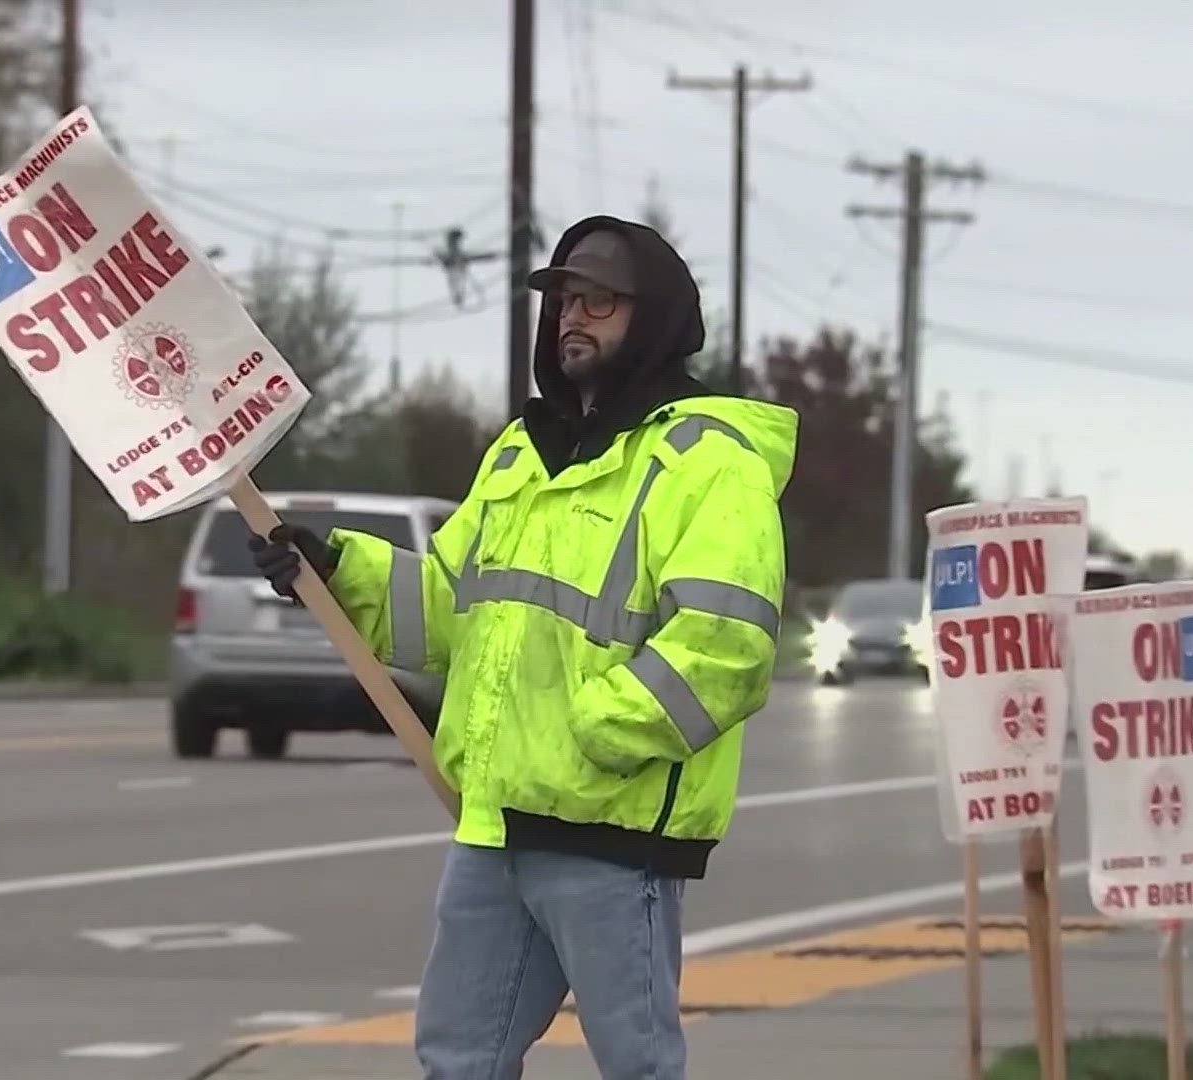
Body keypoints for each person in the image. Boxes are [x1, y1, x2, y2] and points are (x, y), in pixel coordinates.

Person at [248, 215, 797, 1079]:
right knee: (457, 1058)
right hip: (497, 826)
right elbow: (445, 612)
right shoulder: (520, 455)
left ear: (652, 322)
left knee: (637, 1065)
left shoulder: (706, 464)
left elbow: (726, 646)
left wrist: (596, 736)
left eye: (600, 303)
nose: (573, 318)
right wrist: (334, 569)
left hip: (610, 832)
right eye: (566, 301)